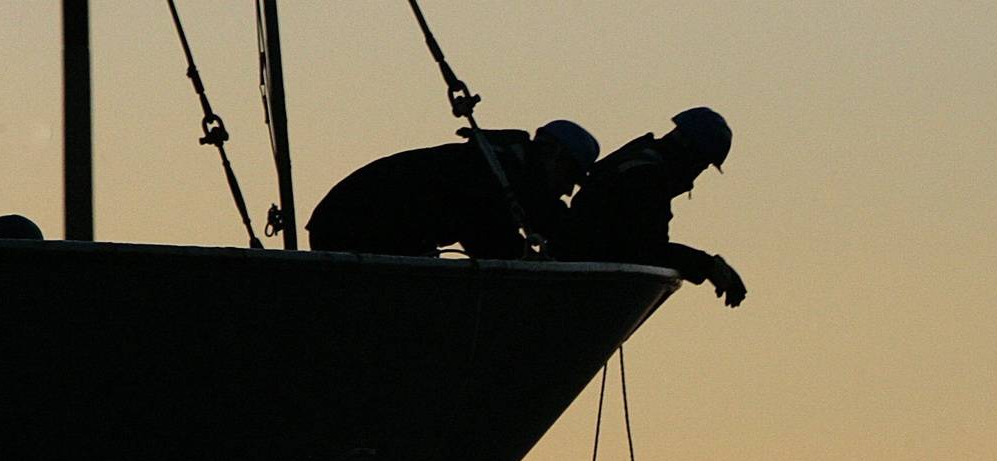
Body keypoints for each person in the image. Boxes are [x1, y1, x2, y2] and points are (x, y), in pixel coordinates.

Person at [306, 119, 599, 258]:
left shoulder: (502, 170)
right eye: (570, 177)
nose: (566, 190)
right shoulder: (491, 173)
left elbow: (541, 215)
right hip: (351, 228)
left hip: (348, 224)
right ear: (554, 157)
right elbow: (490, 239)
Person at [559, 107, 747, 307]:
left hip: (580, 272)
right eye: (702, 163)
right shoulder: (646, 177)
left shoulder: (637, 163)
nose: (696, 174)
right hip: (585, 284)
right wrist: (708, 266)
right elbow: (644, 250)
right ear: (688, 149)